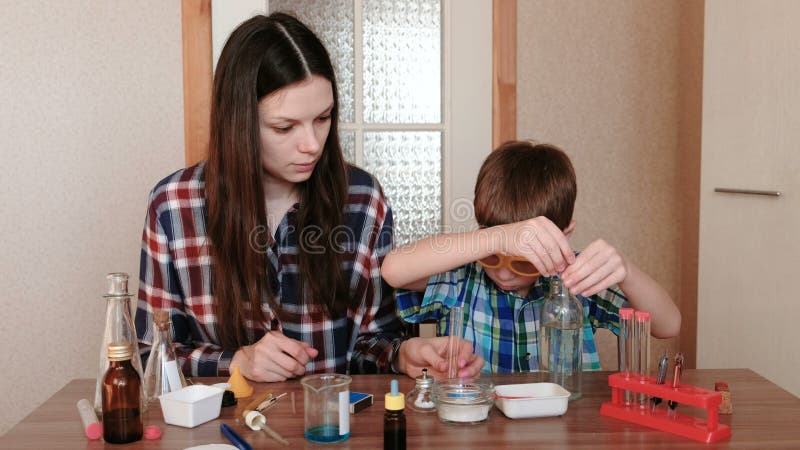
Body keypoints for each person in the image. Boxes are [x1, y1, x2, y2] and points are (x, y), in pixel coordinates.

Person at [135, 13, 482, 382]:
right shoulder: (173, 205)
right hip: (222, 435)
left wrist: (402, 355)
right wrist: (238, 361)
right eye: (285, 127)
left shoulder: (363, 199)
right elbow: (149, 357)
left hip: (337, 431)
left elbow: (374, 342)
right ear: (238, 122)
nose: (313, 145)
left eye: (323, 117)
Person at [381, 140, 681, 373]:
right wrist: (499, 237)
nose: (505, 272)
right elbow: (394, 270)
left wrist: (626, 270)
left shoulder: (577, 277)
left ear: (564, 234)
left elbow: (668, 325)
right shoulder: (464, 276)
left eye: (523, 260)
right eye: (493, 256)